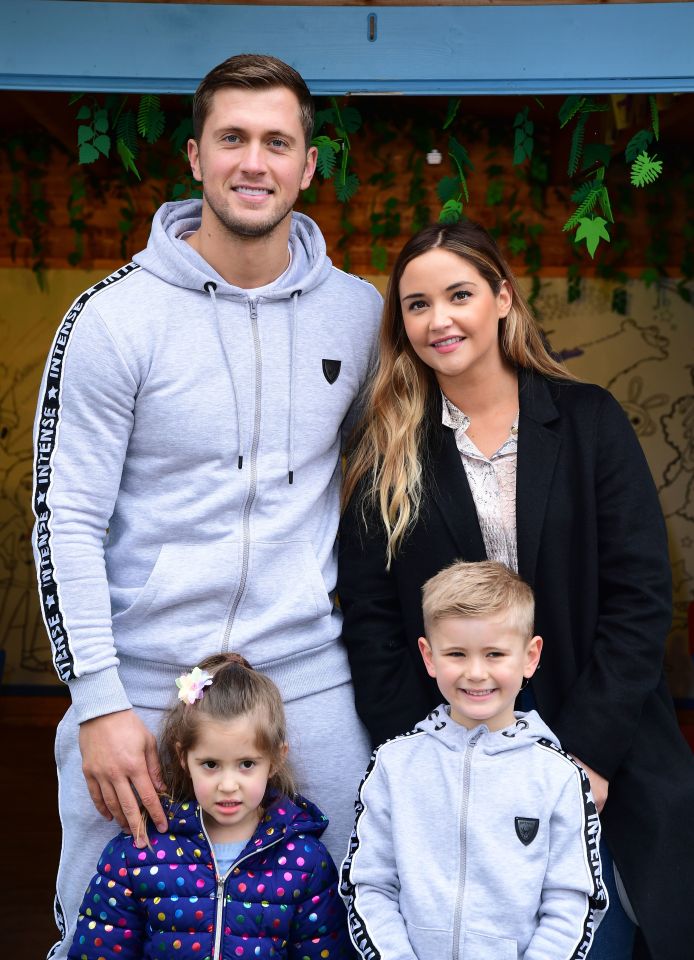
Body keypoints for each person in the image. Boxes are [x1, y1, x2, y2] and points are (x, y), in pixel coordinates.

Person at [32, 53, 381, 958]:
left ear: (309, 165)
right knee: (105, 932)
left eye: (277, 141)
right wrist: (98, 701)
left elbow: (394, 487)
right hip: (146, 683)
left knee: (340, 919)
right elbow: (62, 517)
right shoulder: (114, 319)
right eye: (232, 138)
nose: (252, 162)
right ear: (195, 156)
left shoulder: (360, 316)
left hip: (304, 675)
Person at [338, 220, 694, 960]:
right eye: (416, 304)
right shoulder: (388, 449)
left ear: (501, 298)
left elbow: (640, 596)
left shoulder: (589, 420)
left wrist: (587, 755)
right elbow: (370, 622)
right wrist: (428, 758)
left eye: (459, 294)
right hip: (454, 748)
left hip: (599, 733)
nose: (439, 320)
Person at [341, 560, 608, 960]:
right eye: (457, 654)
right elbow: (370, 885)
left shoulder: (560, 776)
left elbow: (572, 901)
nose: (476, 672)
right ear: (429, 657)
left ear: (530, 656)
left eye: (495, 653)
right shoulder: (394, 765)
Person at [69, 653, 352, 960]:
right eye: (211, 764)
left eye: (246, 764)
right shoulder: (138, 852)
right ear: (183, 758)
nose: (228, 784)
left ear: (275, 759)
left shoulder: (304, 861)